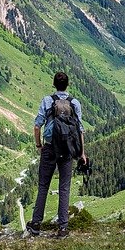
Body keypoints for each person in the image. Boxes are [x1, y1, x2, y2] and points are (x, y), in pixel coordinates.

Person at [30, 71, 87, 238]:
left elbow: (36, 126)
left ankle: (35, 225)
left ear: (54, 85)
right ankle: (63, 228)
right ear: (67, 85)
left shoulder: (48, 100)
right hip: (68, 149)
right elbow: (80, 129)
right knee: (64, 188)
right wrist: (81, 153)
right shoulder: (74, 103)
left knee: (43, 186)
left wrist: (39, 145)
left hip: (49, 147)